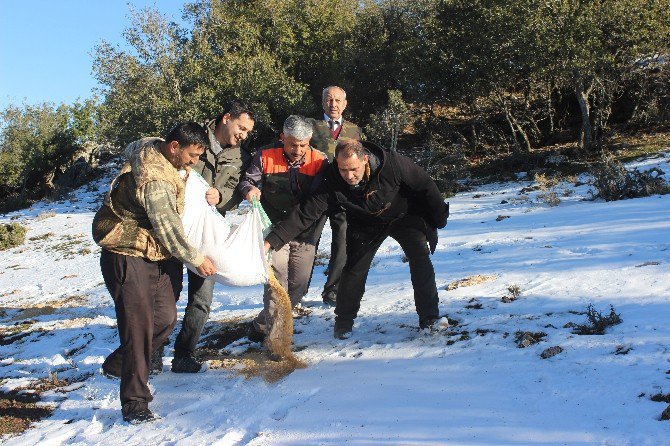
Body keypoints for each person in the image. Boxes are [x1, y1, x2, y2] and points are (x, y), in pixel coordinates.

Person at [92, 122, 216, 423]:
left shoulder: (154, 144)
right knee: (138, 329)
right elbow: (168, 227)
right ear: (174, 147)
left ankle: (120, 362)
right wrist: (196, 258)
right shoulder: (154, 179)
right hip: (126, 253)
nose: (194, 162)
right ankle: (135, 404)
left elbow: (138, 143)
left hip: (152, 253)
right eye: (190, 156)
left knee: (164, 318)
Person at [263, 139, 449, 339]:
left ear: (365, 160)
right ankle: (343, 323)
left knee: (420, 258)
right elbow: (304, 214)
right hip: (365, 222)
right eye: (343, 170)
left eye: (353, 169)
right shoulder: (331, 178)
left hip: (403, 215)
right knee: (353, 269)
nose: (349, 176)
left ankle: (429, 319)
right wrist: (271, 241)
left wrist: (439, 219)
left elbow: (425, 185)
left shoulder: (393, 164)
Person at [171, 102, 256, 373]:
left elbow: (234, 192)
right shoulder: (193, 138)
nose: (243, 134)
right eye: (241, 127)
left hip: (206, 235)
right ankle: (149, 353)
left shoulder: (242, 157)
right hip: (172, 229)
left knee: (202, 297)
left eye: (247, 131)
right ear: (226, 118)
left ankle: (184, 354)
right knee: (165, 295)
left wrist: (222, 197)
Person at [238, 115, 328, 342]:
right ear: (282, 138)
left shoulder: (319, 161)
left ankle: (260, 324)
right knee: (277, 280)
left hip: (305, 231)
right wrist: (250, 190)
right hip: (273, 228)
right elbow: (247, 181)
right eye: (292, 144)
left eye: (303, 145)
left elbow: (316, 204)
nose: (298, 150)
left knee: (299, 286)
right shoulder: (265, 155)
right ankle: (275, 338)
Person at [308, 86, 363, 307]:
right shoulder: (311, 127)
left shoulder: (354, 130)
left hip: (343, 196)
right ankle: (297, 288)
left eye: (338, 100)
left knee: (341, 241)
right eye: (329, 100)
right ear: (322, 103)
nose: (334, 104)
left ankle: (333, 291)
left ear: (345, 104)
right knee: (309, 242)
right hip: (316, 193)